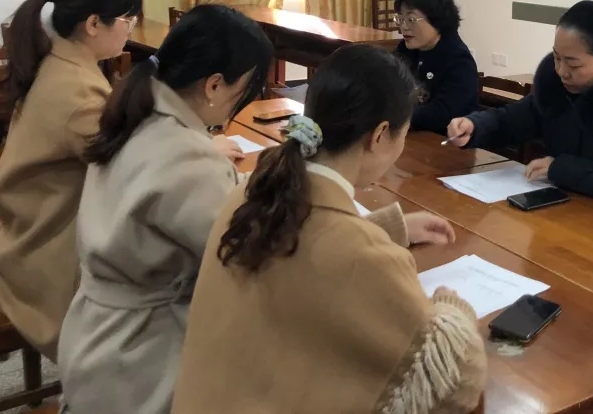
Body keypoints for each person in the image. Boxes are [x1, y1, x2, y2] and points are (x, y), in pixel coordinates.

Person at [172, 44, 487, 414]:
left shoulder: (253, 191)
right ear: (380, 135)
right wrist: (452, 307)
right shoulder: (363, 256)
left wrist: (386, 228)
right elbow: (457, 381)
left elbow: (309, 249)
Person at [57, 5, 273, 414]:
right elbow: (251, 256)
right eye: (243, 90)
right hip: (139, 362)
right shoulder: (187, 157)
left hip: (93, 339)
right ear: (214, 85)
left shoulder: (137, 116)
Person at [0, 0, 142, 362]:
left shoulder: (60, 62)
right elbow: (131, 165)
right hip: (45, 261)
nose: (130, 31)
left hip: (25, 236)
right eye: (127, 21)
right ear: (93, 24)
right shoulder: (77, 90)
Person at [447, 0, 593, 217]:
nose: (561, 71)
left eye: (573, 64)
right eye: (557, 58)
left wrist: (558, 168)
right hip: (570, 207)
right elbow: (512, 120)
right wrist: (475, 126)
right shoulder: (556, 87)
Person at [393, 0, 479, 135]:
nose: (403, 27)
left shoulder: (459, 61)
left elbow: (441, 115)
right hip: (409, 135)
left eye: (411, 19)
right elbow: (386, 86)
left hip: (446, 142)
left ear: (437, 20)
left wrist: (392, 115)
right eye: (400, 19)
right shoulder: (405, 50)